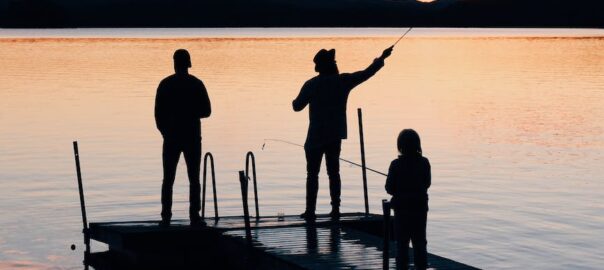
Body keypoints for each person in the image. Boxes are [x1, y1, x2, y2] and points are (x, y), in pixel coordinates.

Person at [292, 46, 393, 220]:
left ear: (319, 67)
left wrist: (298, 99)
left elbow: (296, 106)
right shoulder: (343, 81)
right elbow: (367, 73)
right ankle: (336, 209)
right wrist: (382, 58)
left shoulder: (311, 84)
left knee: (312, 175)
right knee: (334, 173)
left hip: (315, 137)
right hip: (334, 136)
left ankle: (310, 211)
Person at [154, 49, 211, 226]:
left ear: (175, 63)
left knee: (168, 178)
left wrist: (165, 131)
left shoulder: (165, 84)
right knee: (194, 177)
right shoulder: (196, 84)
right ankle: (195, 216)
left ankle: (166, 217)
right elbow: (207, 111)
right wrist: (191, 113)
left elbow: (158, 114)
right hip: (192, 137)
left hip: (171, 137)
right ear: (189, 64)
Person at [385, 129, 431, 270]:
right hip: (419, 209)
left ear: (400, 146)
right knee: (420, 244)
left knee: (402, 245)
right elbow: (427, 183)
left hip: (402, 210)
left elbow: (389, 188)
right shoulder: (424, 162)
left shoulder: (395, 165)